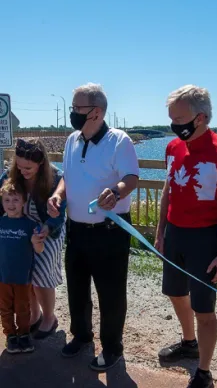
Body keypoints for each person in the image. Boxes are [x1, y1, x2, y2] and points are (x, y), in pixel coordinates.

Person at [154, 85, 217, 388]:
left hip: (205, 239)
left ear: (201, 117)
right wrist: (160, 233)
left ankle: (204, 372)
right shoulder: (173, 148)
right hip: (175, 234)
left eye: (179, 119)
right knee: (175, 293)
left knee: (204, 309)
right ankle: (188, 342)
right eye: (171, 119)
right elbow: (168, 191)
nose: (174, 125)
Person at [47, 83, 139, 372]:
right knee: (76, 289)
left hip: (109, 232)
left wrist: (117, 191)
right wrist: (58, 194)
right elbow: (67, 176)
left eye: (77, 108)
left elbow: (132, 177)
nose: (72, 113)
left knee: (111, 294)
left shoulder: (119, 141)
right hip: (76, 230)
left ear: (96, 112)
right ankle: (82, 336)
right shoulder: (72, 140)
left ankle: (112, 348)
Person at [0, 138, 67, 339]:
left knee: (43, 276)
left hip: (47, 229)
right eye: (19, 166)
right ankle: (34, 314)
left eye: (28, 167)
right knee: (26, 273)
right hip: (22, 229)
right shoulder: (10, 175)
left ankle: (49, 318)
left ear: (41, 163)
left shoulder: (55, 178)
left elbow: (59, 216)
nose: (23, 171)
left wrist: (46, 229)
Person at [0, 179, 45, 353]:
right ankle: (10, 335)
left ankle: (24, 334)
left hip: (23, 277)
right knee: (5, 309)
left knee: (23, 308)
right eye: (7, 200)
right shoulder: (1, 222)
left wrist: (36, 242)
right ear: (2, 202)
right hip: (2, 277)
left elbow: (39, 250)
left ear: (24, 201)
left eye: (15, 200)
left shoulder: (30, 225)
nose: (11, 204)